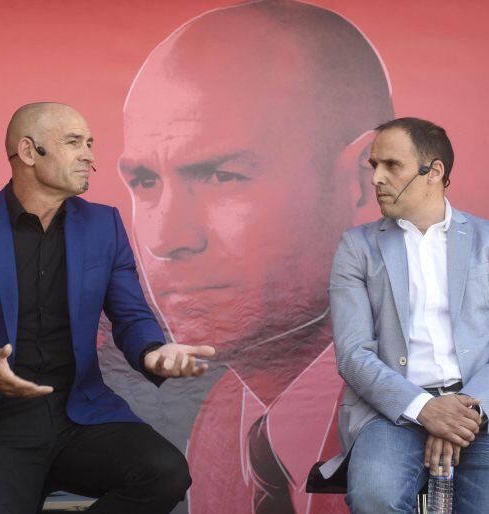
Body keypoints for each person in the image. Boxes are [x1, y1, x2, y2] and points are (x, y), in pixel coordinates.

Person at [114, 1, 393, 512]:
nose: (165, 239)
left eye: (222, 177)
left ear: (364, 178)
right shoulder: (222, 427)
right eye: (145, 182)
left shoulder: (454, 404)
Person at [0, 102, 215, 514]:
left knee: (165, 473)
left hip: (80, 416)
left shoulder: (104, 225)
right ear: (28, 152)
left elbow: (131, 315)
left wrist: (153, 351)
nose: (90, 156)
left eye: (90, 143)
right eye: (73, 142)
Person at [323, 117, 489, 513]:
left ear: (434, 171)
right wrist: (425, 408)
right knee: (374, 497)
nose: (376, 178)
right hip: (391, 412)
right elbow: (353, 354)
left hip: (484, 412)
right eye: (374, 166)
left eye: (392, 165)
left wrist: (464, 414)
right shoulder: (356, 248)